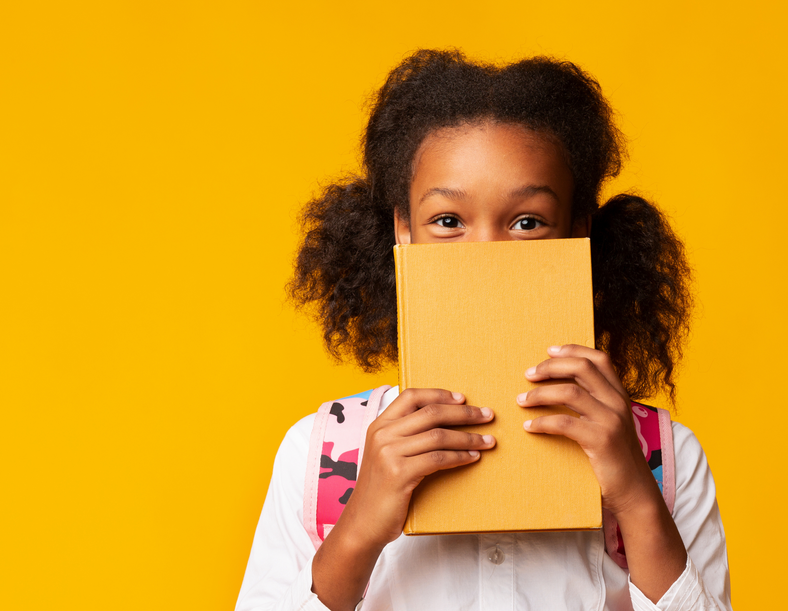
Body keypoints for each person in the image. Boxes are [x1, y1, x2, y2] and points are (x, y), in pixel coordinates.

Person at [236, 49, 731, 611]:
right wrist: (358, 530)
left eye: (527, 222)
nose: (488, 254)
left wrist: (638, 499)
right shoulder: (318, 455)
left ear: (578, 233)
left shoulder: (666, 460)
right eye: (448, 221)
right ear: (403, 231)